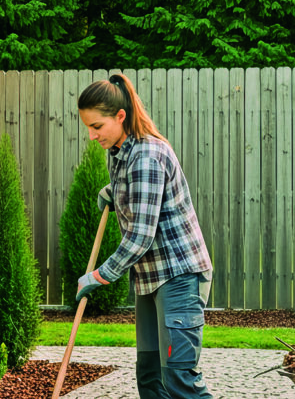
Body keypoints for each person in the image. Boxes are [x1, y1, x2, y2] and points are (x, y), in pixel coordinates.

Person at [75, 73, 214, 399]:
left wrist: (100, 275)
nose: (93, 136)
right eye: (89, 128)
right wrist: (112, 189)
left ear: (120, 116)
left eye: (97, 127)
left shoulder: (147, 155)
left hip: (179, 275)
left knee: (180, 381)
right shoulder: (121, 152)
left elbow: (140, 236)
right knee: (151, 379)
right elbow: (141, 189)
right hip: (150, 277)